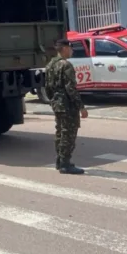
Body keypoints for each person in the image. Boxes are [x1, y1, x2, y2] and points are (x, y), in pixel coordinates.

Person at [44, 38, 88, 175]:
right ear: (64, 48)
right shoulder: (66, 65)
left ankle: (60, 161)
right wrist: (81, 106)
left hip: (57, 103)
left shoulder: (50, 64)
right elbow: (71, 89)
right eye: (70, 48)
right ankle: (65, 164)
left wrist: (53, 99)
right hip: (67, 104)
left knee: (60, 132)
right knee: (68, 134)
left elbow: (47, 87)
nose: (72, 51)